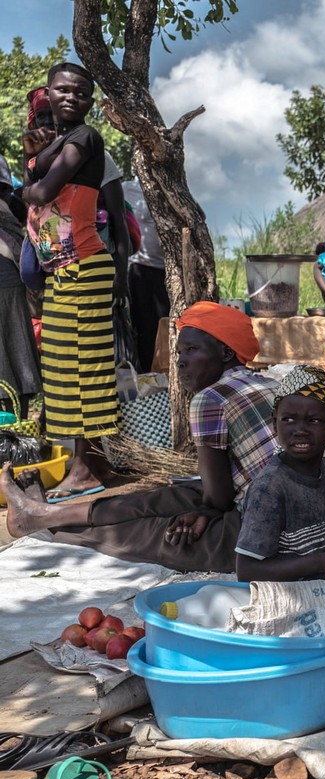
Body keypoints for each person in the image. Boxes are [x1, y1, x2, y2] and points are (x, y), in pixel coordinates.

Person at [0, 302, 279, 572]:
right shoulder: (271, 384)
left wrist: (207, 511)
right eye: (180, 353)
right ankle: (46, 514)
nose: (180, 363)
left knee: (158, 532)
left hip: (266, 535)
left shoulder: (210, 399)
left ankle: (51, 524)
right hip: (265, 508)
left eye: (192, 350)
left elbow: (218, 501)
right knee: (173, 497)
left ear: (226, 353)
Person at [19, 63, 119, 500]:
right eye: (63, 90)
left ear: (89, 101)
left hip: (84, 266)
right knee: (60, 371)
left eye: (80, 93)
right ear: (49, 93)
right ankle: (88, 464)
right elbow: (34, 180)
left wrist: (23, 182)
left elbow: (39, 194)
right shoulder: (54, 143)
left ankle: (85, 470)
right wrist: (33, 161)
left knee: (85, 369)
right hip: (61, 270)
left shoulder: (84, 139)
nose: (71, 98)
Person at [235, 366, 325, 582]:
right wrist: (321, 562)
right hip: (291, 599)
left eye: (313, 420)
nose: (300, 429)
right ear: (274, 423)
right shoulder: (269, 488)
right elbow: (247, 571)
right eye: (288, 419)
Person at [0, 156, 39, 418]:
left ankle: (16, 435)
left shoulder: (9, 207)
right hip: (10, 286)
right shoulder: (11, 205)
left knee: (14, 357)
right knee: (14, 357)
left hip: (8, 286)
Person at [123, 179, 168, 373]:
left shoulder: (171, 188)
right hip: (141, 269)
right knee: (145, 330)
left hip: (169, 273)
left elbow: (197, 216)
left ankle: (166, 377)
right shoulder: (127, 189)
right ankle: (146, 381)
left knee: (167, 327)